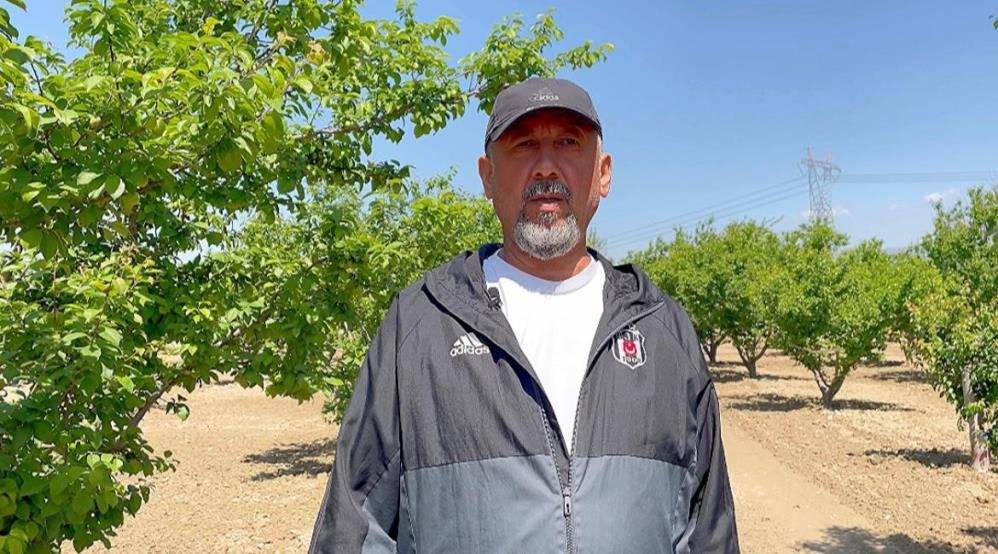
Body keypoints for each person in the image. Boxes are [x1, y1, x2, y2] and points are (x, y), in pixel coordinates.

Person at [308, 77, 740, 553]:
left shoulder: (663, 331)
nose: (546, 166)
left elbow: (708, 530)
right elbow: (355, 524)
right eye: (524, 144)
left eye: (569, 143)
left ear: (603, 174)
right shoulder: (420, 324)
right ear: (488, 176)